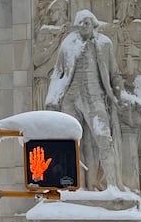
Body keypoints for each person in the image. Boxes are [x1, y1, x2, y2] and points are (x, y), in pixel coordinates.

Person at [45, 10, 124, 191]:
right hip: (71, 98)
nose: (83, 26)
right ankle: (73, 185)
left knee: (104, 138)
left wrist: (119, 95)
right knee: (69, 142)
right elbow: (58, 72)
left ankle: (112, 185)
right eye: (80, 23)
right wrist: (53, 98)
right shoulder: (68, 45)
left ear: (93, 24)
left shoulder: (105, 44)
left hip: (95, 97)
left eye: (86, 22)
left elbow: (114, 74)